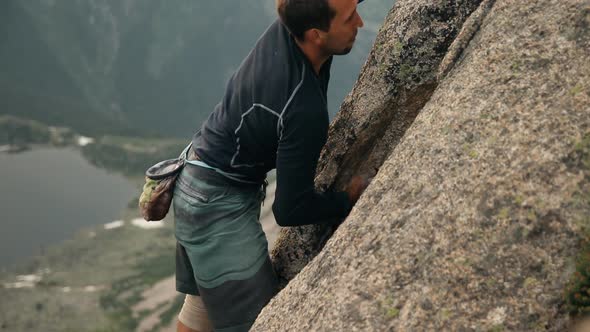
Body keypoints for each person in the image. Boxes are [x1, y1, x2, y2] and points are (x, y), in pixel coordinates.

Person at [174, 0, 368, 331]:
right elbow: (290, 209)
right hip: (216, 209)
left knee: (204, 304)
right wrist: (348, 199)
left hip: (193, 177)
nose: (360, 23)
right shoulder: (301, 107)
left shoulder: (291, 21)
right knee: (258, 324)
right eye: (350, 18)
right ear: (316, 35)